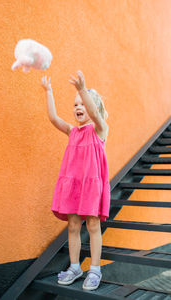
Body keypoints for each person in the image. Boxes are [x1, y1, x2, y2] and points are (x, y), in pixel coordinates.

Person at [41, 70, 110, 291]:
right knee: (72, 226)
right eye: (75, 105)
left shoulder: (100, 130)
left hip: (91, 186)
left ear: (94, 108)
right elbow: (53, 118)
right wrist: (49, 92)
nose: (78, 108)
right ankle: (74, 267)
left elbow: (94, 113)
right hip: (73, 186)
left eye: (83, 104)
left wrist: (82, 88)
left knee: (92, 224)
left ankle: (95, 269)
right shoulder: (73, 132)